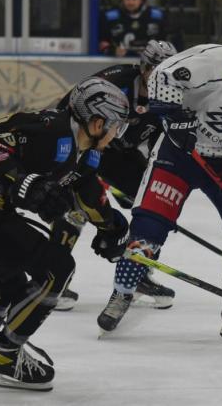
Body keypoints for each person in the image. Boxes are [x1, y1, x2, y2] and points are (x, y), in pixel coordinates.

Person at [0, 77, 130, 391]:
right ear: (97, 122)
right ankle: (4, 360)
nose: (117, 135)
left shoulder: (85, 150)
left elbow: (86, 189)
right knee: (57, 267)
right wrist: (25, 182)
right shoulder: (52, 132)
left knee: (6, 284)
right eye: (117, 126)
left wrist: (111, 228)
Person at [96, 13, 222, 340]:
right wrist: (175, 115)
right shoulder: (214, 60)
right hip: (178, 155)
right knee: (149, 227)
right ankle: (123, 293)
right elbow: (162, 75)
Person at [52, 40, 179, 311]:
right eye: (157, 71)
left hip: (119, 152)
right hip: (86, 144)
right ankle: (51, 279)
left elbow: (160, 145)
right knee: (75, 207)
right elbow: (69, 110)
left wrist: (156, 204)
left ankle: (136, 275)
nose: (163, 80)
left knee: (150, 204)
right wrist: (71, 161)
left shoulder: (171, 98)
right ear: (144, 67)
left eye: (169, 74)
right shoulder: (114, 82)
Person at [99, 0, 166, 57]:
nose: (131, 2)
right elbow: (102, 41)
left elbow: (166, 41)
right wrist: (113, 51)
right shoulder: (110, 16)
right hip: (119, 60)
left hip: (149, 60)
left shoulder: (156, 16)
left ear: (141, 0)